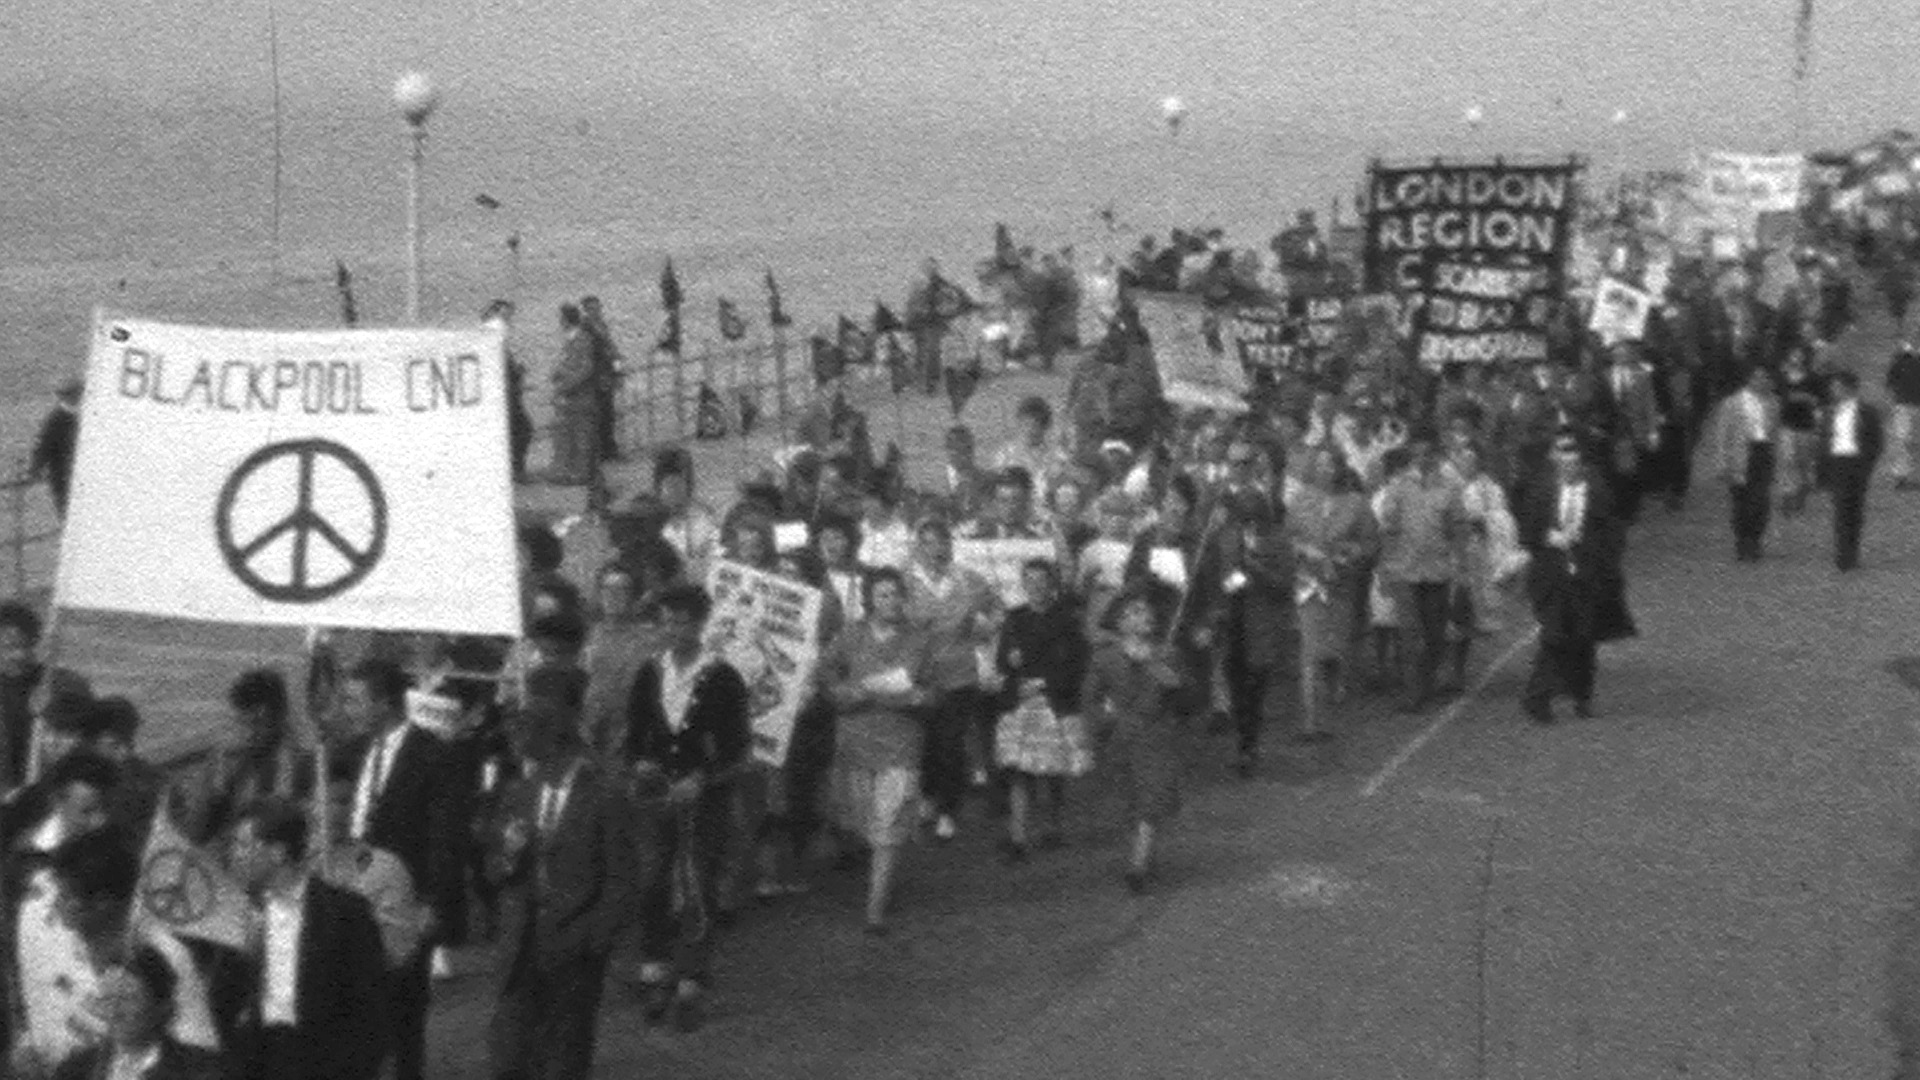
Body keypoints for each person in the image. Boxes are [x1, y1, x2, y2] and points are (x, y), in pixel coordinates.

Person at [486, 698, 640, 1080]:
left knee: (565, 1057)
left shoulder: (604, 797)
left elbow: (622, 878)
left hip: (575, 945)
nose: (521, 754)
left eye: (527, 744)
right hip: (521, 944)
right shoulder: (519, 794)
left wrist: (593, 939)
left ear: (553, 743)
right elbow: (493, 871)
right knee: (508, 1057)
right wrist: (509, 854)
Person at [619, 583, 750, 1032]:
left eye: (682, 622)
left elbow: (737, 746)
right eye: (666, 622)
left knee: (697, 882)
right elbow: (635, 732)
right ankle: (655, 964)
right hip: (657, 794)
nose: (673, 630)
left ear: (699, 625)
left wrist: (703, 778)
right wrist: (639, 762)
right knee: (652, 877)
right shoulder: (650, 672)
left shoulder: (723, 677)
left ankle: (692, 977)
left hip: (702, 797)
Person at [340, 658, 463, 1080]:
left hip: (403, 902)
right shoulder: (357, 750)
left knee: (403, 1011)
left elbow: (445, 837)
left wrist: (433, 903)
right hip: (353, 893)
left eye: (355, 701)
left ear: (385, 703)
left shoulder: (432, 755)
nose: (348, 710)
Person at [227, 798, 390, 1080]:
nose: (234, 856)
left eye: (243, 845)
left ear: (277, 852)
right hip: (262, 1057)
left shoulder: (344, 913)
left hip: (325, 1059)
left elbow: (370, 1006)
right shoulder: (241, 915)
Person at [819, 568, 935, 933]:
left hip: (901, 742)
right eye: (883, 595)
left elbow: (935, 690)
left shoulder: (919, 639)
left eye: (896, 594)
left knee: (889, 825)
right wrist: (842, 693)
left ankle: (875, 910)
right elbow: (826, 672)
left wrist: (921, 697)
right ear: (870, 599)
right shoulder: (851, 635)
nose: (891, 601)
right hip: (856, 740)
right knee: (863, 822)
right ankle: (879, 882)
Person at [1080, 588, 1187, 895]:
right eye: (1136, 612)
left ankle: (1137, 867)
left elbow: (1187, 699)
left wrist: (1171, 680)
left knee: (1152, 799)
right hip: (1121, 738)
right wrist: (1101, 723)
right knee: (1131, 801)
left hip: (1157, 736)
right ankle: (1145, 854)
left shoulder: (1167, 654)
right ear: (1121, 622)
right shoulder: (1105, 658)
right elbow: (1090, 699)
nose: (1146, 616)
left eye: (1147, 611)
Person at [1515, 431, 1625, 724]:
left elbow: (1613, 535)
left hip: (1587, 578)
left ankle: (1581, 695)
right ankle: (1537, 697)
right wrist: (1548, 537)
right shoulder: (1542, 493)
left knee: (1583, 638)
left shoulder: (1598, 494)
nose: (1569, 470)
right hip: (1552, 578)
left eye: (1574, 465)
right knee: (1554, 635)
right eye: (1563, 465)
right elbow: (1527, 533)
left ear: (1583, 466)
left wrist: (1599, 560)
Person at [903, 518, 1001, 842]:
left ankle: (948, 809)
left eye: (942, 542)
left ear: (950, 544)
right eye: (928, 543)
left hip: (960, 674)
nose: (936, 549)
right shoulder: (906, 581)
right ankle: (928, 795)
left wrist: (986, 628)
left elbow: (997, 608)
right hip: (920, 675)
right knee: (926, 742)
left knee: (951, 742)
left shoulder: (967, 579)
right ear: (918, 546)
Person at [992, 560, 1089, 861]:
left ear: (1052, 584)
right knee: (1019, 771)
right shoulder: (1014, 619)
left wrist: (1045, 683)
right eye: (1030, 580)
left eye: (1042, 580)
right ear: (1023, 583)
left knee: (1052, 770)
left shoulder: (1067, 620)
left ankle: (1052, 825)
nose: (1036, 586)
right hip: (1021, 703)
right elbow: (1001, 662)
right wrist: (1011, 670)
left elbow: (1077, 664)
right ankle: (1018, 836)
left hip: (1054, 702)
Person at [1286, 448, 1378, 734]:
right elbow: (1288, 538)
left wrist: (1350, 553)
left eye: (1331, 465)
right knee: (1310, 651)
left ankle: (1330, 699)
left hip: (1341, 586)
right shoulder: (1301, 500)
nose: (1326, 470)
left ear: (1340, 469)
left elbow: (1371, 544)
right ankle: (1311, 721)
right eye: (1321, 465)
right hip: (1309, 585)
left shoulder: (1357, 504)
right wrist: (1304, 550)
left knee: (1333, 652)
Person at [40, 946, 226, 1080]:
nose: (114, 1011)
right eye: (107, 999)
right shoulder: (75, 1070)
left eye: (127, 999)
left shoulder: (202, 1071)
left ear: (163, 1007)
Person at [1710, 365, 1782, 562]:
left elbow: (1776, 433)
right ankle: (1742, 540)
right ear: (1749, 380)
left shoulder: (1774, 402)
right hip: (1740, 455)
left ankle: (1754, 539)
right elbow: (1723, 433)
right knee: (1741, 501)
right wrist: (1722, 459)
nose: (1762, 381)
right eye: (1757, 377)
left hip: (1763, 452)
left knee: (1760, 500)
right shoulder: (1732, 403)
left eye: (1765, 377)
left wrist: (1778, 457)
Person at [1816, 369, 1885, 572]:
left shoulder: (1867, 412)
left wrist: (1867, 465)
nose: (1833, 390)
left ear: (1848, 388)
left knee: (1855, 509)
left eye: (1836, 387)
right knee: (1841, 508)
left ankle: (1852, 551)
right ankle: (1843, 555)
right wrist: (1822, 469)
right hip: (1837, 463)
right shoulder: (1829, 411)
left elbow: (1876, 441)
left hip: (1857, 464)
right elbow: (1823, 441)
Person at [547, 303, 599, 486]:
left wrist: (565, 386)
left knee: (581, 437)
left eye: (561, 319)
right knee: (567, 435)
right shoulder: (570, 340)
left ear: (567, 320)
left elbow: (586, 369)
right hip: (570, 398)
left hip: (580, 396)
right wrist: (556, 373)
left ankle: (580, 474)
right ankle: (568, 471)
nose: (559, 322)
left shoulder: (582, 340)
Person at [484, 301, 535, 484]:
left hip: (506, 394)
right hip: (507, 396)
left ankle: (512, 470)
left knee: (516, 431)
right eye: (505, 315)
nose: (508, 320)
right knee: (523, 430)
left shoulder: (497, 348)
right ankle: (516, 470)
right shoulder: (496, 341)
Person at [0, 600, 45, 791]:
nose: (19, 655)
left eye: (27, 646)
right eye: (9, 647)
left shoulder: (51, 683)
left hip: (36, 788)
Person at [29, 376, 81, 519]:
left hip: (76, 474)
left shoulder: (83, 416)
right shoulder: (56, 419)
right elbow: (44, 446)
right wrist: (35, 468)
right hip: (62, 474)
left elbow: (42, 446)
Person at [580, 296, 624, 462]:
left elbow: (612, 350)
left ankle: (609, 450)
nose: (596, 312)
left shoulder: (602, 326)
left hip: (607, 374)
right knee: (599, 415)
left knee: (608, 413)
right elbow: (588, 356)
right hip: (596, 377)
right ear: (586, 311)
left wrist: (618, 371)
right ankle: (601, 452)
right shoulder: (585, 330)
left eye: (598, 308)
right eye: (592, 309)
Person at [1887, 342, 1920, 491]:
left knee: (1902, 441)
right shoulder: (1902, 362)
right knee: (1904, 442)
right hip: (1908, 406)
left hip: (1903, 405)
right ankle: (1901, 477)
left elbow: (1890, 383)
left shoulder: (1898, 362)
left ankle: (1901, 477)